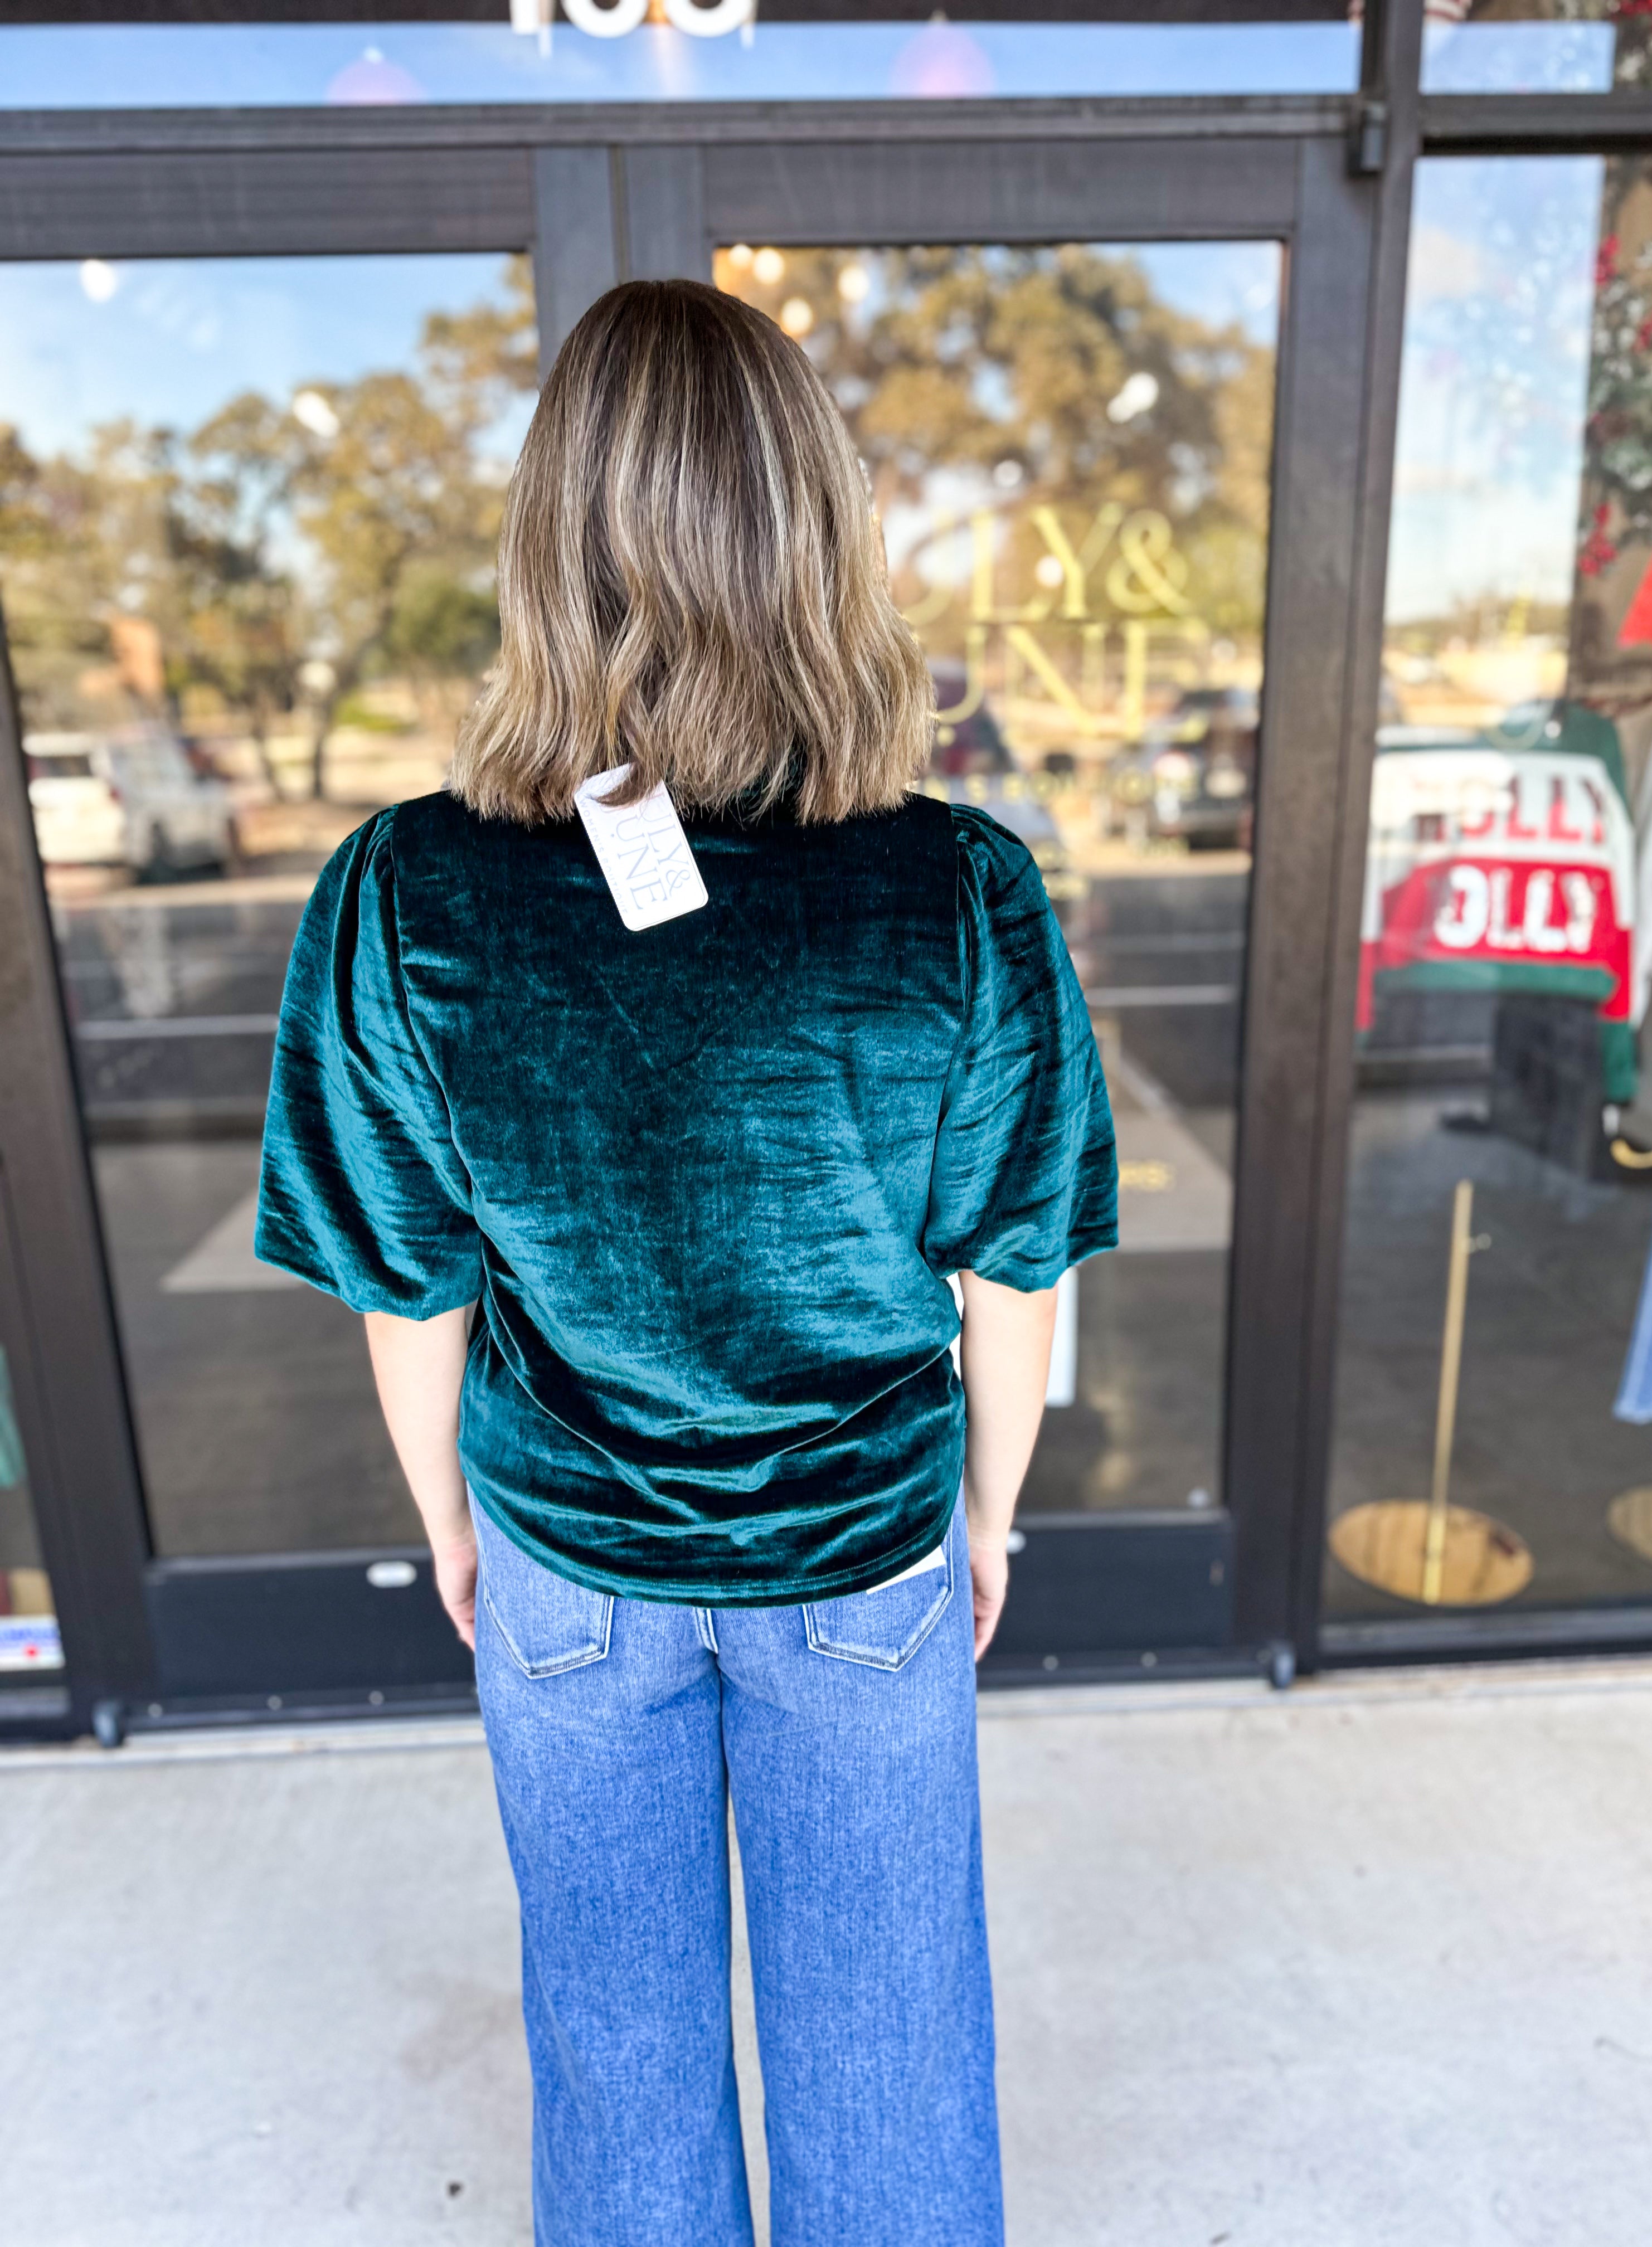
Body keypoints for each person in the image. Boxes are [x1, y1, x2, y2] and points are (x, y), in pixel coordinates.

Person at [255, 278, 1117, 2247]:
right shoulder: (956, 884)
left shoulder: (410, 889)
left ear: (552, 544)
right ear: (818, 536)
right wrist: (987, 1515)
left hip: (569, 1568)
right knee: (891, 2051)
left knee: (614, 2050)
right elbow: (1014, 1270)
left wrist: (455, 1525)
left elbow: (413, 1287)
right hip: (863, 1566)